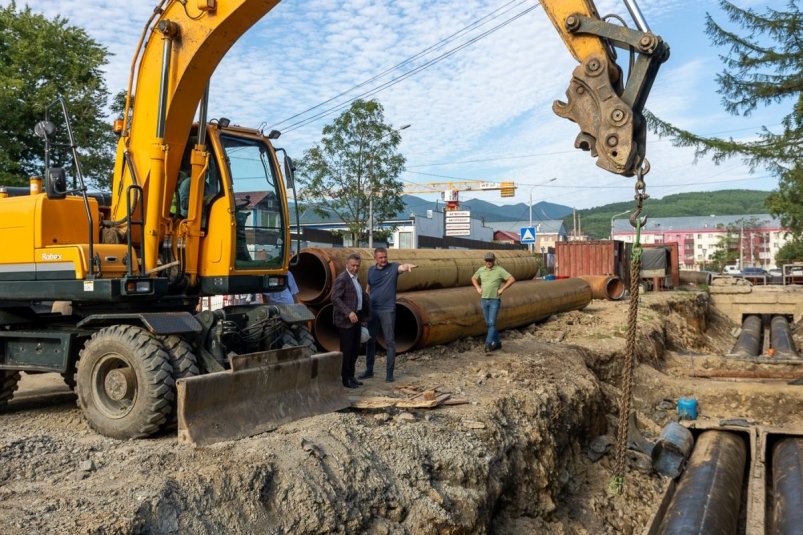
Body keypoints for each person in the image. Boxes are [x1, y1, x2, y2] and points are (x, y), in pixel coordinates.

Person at [360, 247, 417, 383]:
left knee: (390, 341)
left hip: (387, 310)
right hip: (373, 310)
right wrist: (365, 304)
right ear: (375, 258)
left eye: (385, 257)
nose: (384, 260)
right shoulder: (371, 271)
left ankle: (389, 374)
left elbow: (401, 268)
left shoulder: (393, 268)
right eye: (381, 257)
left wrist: (407, 266)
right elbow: (368, 288)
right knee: (370, 340)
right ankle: (369, 370)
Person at [332, 253, 370, 389]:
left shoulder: (356, 278)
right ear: (347, 265)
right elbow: (335, 298)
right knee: (347, 350)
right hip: (346, 320)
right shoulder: (342, 279)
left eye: (357, 266)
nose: (355, 268)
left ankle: (352, 376)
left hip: (357, 318)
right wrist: (348, 312)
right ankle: (345, 379)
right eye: (353, 265)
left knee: (355, 350)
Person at [471, 252, 516, 353]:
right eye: (487, 260)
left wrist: (502, 289)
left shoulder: (499, 270)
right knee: (488, 324)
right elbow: (473, 278)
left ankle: (488, 344)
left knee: (491, 323)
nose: (488, 262)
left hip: (494, 300)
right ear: (485, 261)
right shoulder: (481, 270)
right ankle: (498, 343)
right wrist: (478, 287)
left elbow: (512, 279)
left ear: (493, 261)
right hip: (484, 300)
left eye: (490, 260)